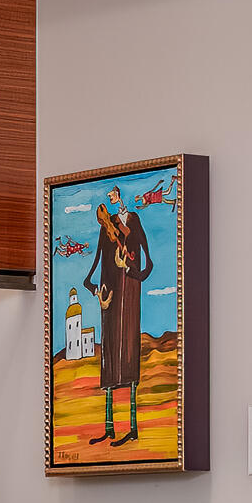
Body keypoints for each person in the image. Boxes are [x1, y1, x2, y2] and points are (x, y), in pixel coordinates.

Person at [87, 187, 155, 444]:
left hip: (130, 293)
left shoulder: (134, 222)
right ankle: (109, 426)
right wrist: (94, 287)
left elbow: (148, 262)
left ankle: (133, 427)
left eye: (113, 196)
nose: (111, 199)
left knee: (128, 354)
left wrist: (132, 271)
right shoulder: (109, 226)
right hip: (111, 295)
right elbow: (95, 263)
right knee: (110, 355)